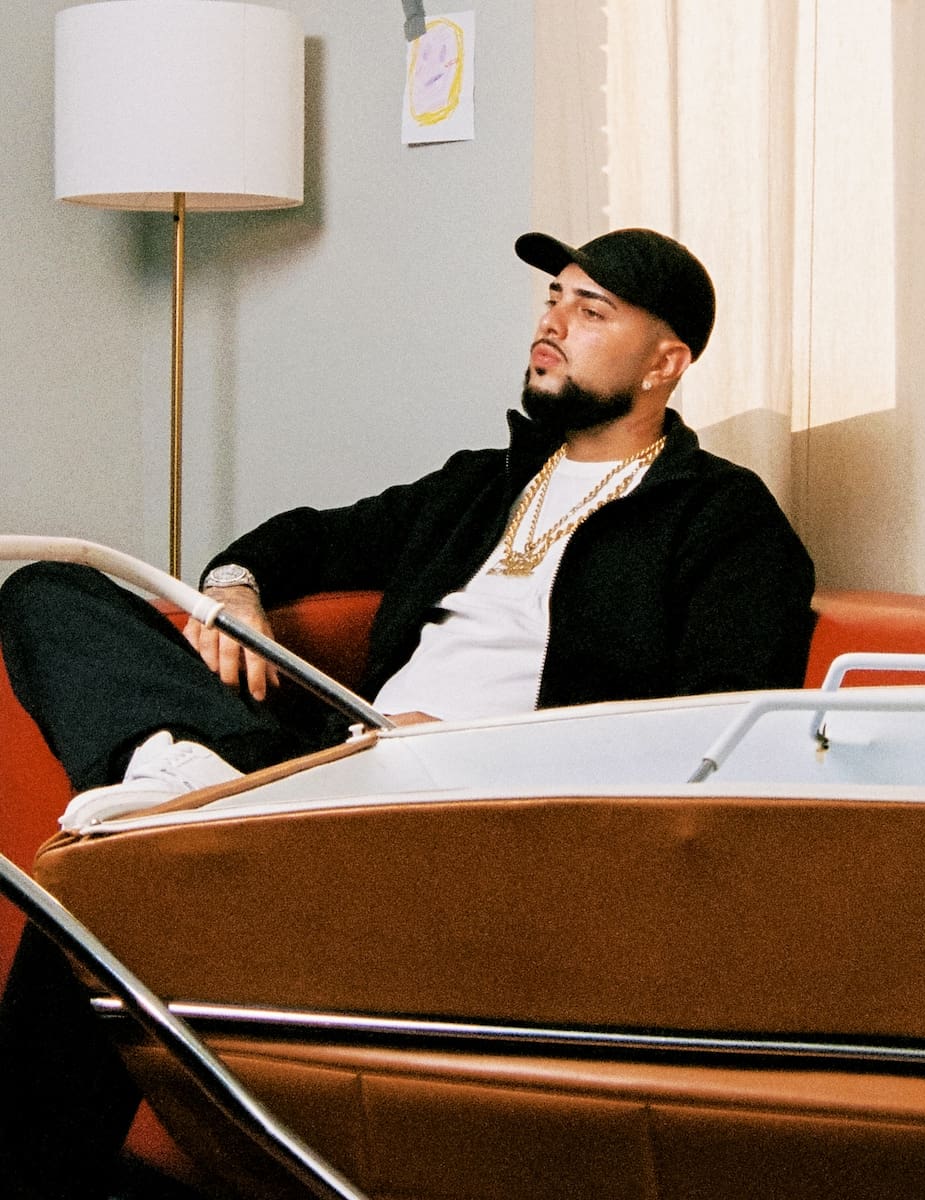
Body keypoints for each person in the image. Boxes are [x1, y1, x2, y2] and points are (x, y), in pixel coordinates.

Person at [0, 228, 815, 1198]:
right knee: (49, 585)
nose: (554, 321)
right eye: (553, 297)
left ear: (664, 363)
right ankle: (183, 773)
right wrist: (235, 591)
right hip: (333, 767)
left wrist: (482, 757)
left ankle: (179, 808)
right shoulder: (481, 483)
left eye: (591, 309)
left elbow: (714, 743)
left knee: (105, 889)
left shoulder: (725, 521)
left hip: (471, 827)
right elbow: (303, 540)